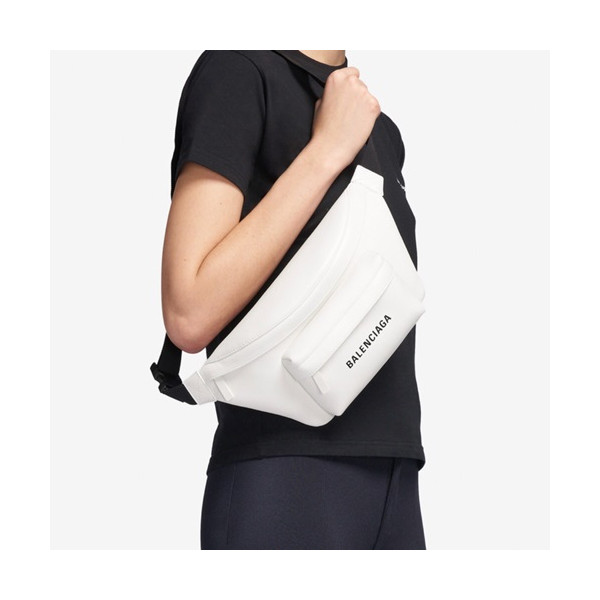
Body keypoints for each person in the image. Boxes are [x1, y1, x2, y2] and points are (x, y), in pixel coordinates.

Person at [160, 50, 426, 549]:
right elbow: (188, 311)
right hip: (284, 475)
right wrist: (326, 151)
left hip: (394, 476)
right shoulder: (239, 70)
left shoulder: (378, 125)